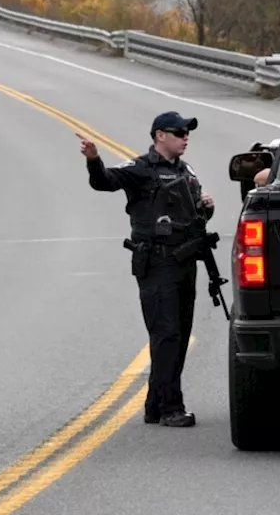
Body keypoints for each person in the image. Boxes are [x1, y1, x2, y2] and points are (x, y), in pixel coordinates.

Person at [78, 111, 214, 427]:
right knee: (166, 334)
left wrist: (206, 206)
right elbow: (104, 181)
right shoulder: (141, 169)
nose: (185, 137)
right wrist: (93, 159)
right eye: (178, 132)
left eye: (186, 132)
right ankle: (171, 408)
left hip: (185, 261)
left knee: (178, 336)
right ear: (159, 136)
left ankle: (155, 404)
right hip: (157, 263)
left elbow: (195, 215)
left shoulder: (187, 171)